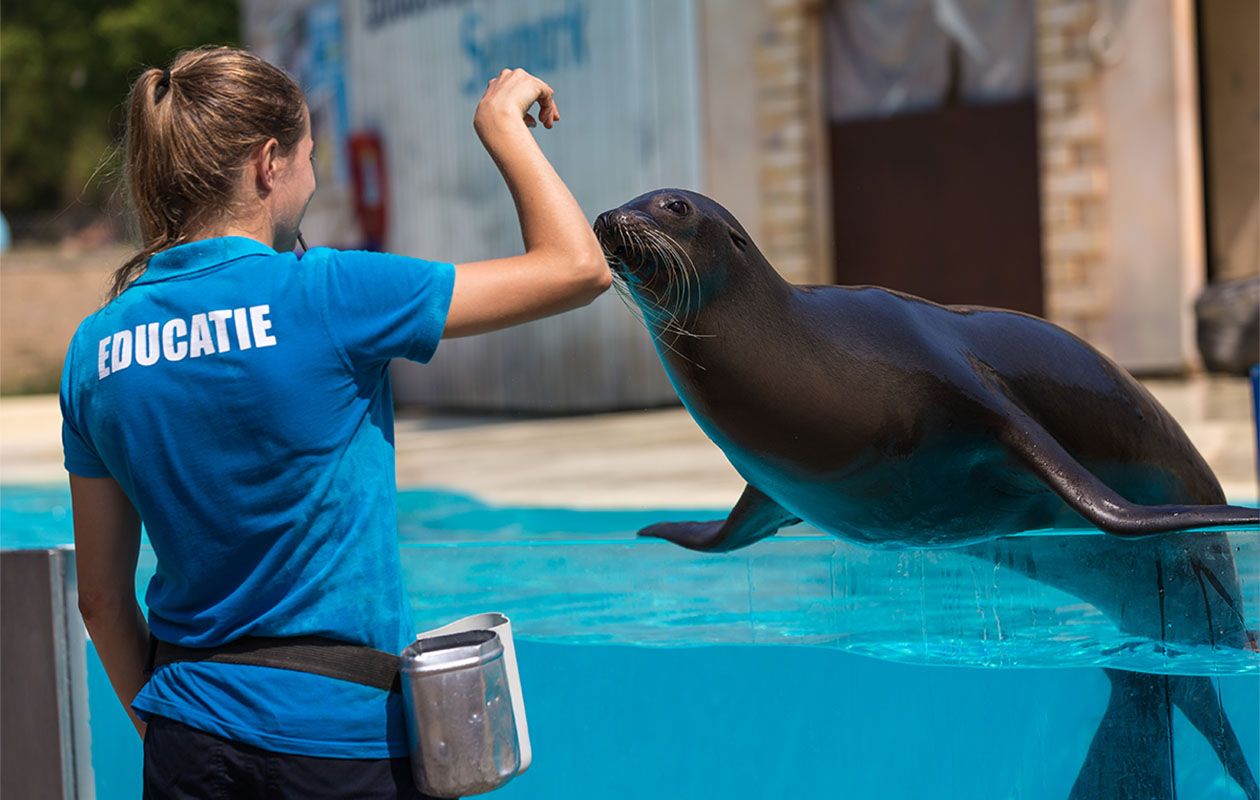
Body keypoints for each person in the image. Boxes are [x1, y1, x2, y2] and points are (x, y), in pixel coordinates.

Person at [60, 46, 609, 799]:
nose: (315, 181)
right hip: (340, 744)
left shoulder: (96, 349)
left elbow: (101, 600)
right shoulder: (330, 292)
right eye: (310, 157)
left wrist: (171, 731)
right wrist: (502, 128)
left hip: (188, 739)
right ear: (268, 164)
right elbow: (578, 268)